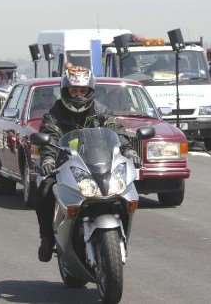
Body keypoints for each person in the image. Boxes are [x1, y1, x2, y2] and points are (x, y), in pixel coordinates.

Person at [36, 66, 138, 262]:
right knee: (44, 189)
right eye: (74, 90)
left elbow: (117, 131)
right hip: (67, 164)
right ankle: (47, 238)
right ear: (66, 91)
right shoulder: (54, 114)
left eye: (83, 91)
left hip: (99, 164)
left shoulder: (101, 111)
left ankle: (122, 234)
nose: (78, 95)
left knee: (128, 187)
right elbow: (50, 135)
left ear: (90, 91)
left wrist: (128, 150)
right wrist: (48, 158)